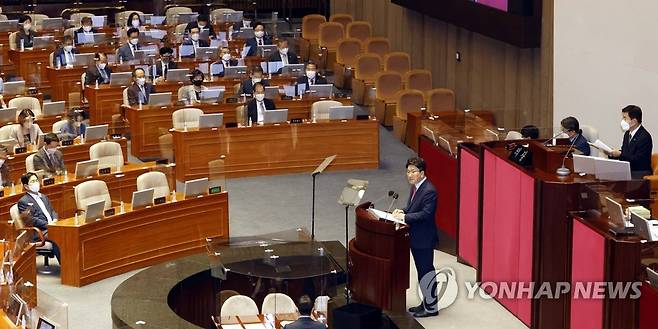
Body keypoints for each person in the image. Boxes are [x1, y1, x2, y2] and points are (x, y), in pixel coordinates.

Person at [392, 157, 439, 318]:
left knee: (427, 272)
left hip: (424, 239)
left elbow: (426, 214)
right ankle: (425, 303)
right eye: (408, 171)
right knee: (421, 272)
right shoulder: (417, 187)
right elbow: (413, 208)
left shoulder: (429, 190)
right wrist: (403, 211)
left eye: (413, 172)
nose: (409, 175)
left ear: (422, 173)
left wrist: (404, 218)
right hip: (416, 237)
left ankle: (432, 308)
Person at [17, 172, 61, 263]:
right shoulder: (23, 202)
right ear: (26, 186)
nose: (36, 183)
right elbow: (30, 220)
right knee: (58, 236)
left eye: (37, 180)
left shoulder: (44, 197)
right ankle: (65, 267)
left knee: (67, 233)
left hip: (52, 226)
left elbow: (52, 211)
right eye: (33, 181)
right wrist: (49, 225)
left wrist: (55, 219)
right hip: (39, 231)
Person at [606, 105, 653, 179]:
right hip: (628, 171)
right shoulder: (627, 134)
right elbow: (626, 154)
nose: (622, 121)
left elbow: (638, 160)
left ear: (634, 121)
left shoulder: (644, 137)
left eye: (625, 118)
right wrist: (611, 154)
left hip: (640, 173)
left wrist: (620, 154)